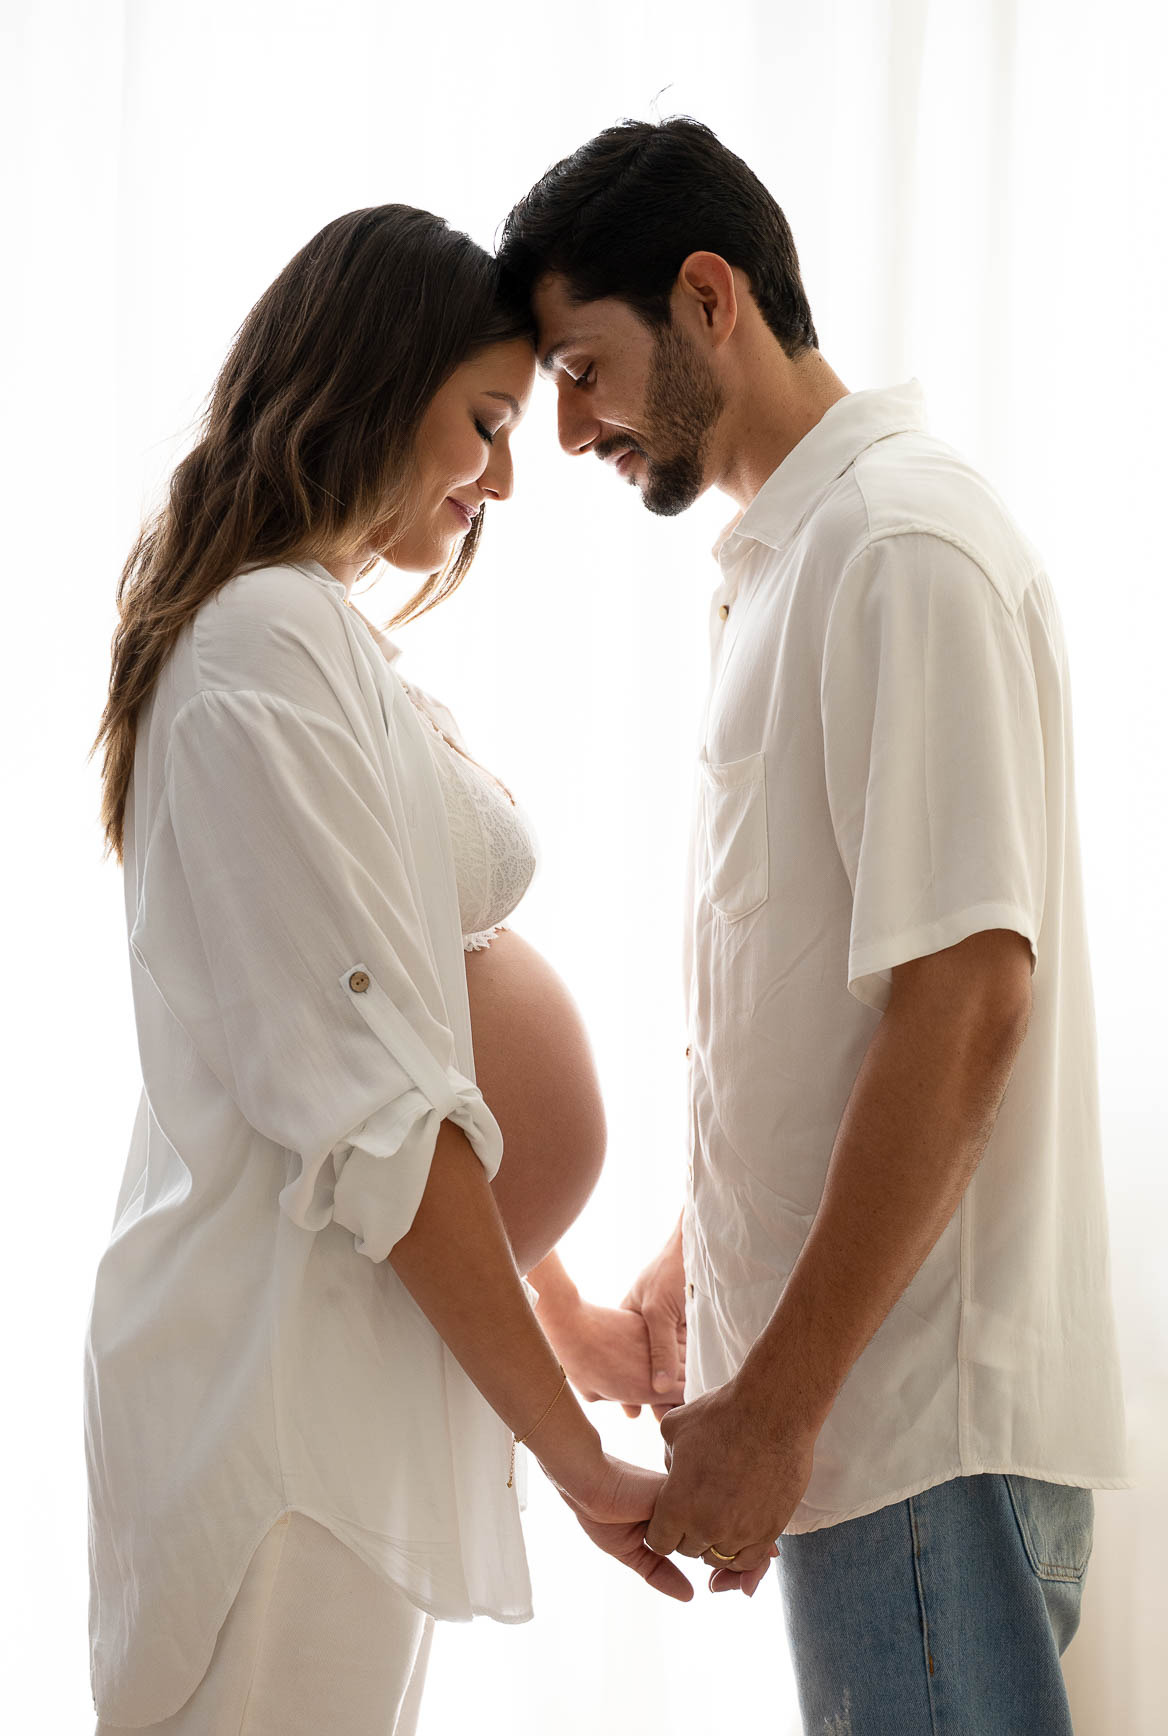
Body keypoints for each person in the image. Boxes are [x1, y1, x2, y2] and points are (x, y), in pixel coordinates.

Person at [498, 116, 1128, 1735]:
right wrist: (708, 1260)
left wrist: (774, 1407)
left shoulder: (897, 547)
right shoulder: (792, 564)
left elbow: (967, 999)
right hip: (865, 1430)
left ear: (711, 297)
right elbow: (827, 1016)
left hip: (907, 1427)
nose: (570, 432)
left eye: (584, 368)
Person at [84, 204, 691, 1736]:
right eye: (484, 423)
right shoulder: (265, 646)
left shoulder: (315, 638)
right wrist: (574, 1455)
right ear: (369, 382)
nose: (499, 478)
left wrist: (560, 1315)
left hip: (343, 1384)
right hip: (279, 1404)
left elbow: (398, 1043)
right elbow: (371, 1109)